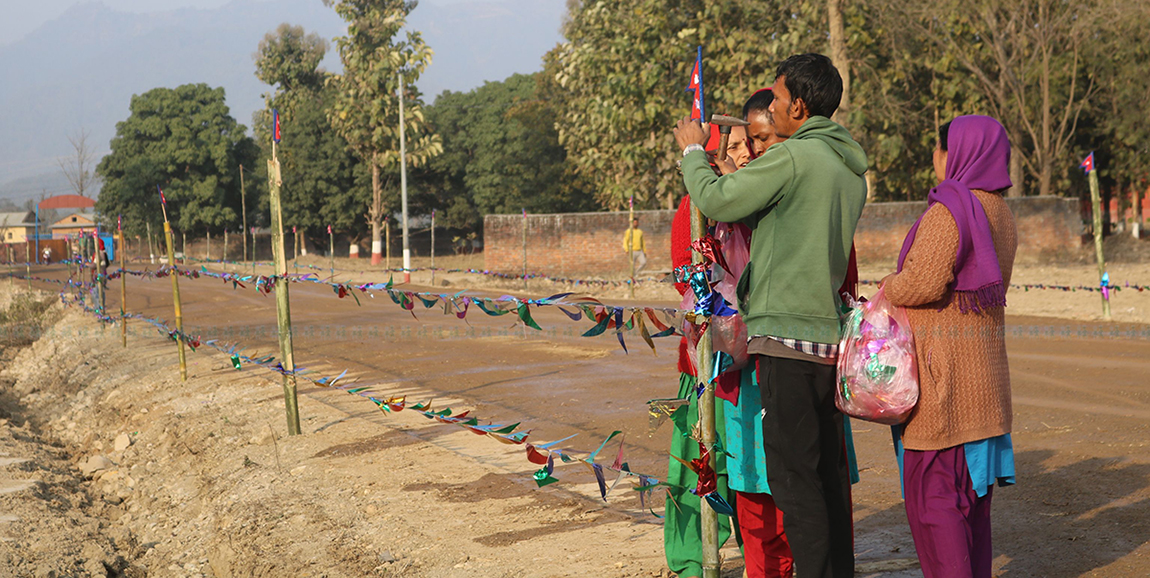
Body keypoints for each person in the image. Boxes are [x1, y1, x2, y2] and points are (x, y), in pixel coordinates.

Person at [674, 53, 867, 578]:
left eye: (778, 98)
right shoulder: (849, 169)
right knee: (825, 476)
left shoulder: (796, 157)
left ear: (799, 107)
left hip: (785, 337)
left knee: (793, 482)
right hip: (827, 339)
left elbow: (718, 197)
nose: (774, 107)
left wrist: (694, 150)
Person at [880, 115, 1017, 578]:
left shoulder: (952, 209)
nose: (936, 161)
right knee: (973, 509)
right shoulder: (999, 210)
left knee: (933, 504)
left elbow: (921, 282)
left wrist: (887, 285)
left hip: (944, 391)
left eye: (939, 151)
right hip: (984, 387)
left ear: (954, 154)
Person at [665, 124, 737, 578]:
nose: (741, 157)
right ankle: (692, 563)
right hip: (704, 362)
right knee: (697, 467)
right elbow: (684, 280)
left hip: (757, 365)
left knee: (751, 472)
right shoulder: (693, 210)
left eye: (751, 147)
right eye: (730, 151)